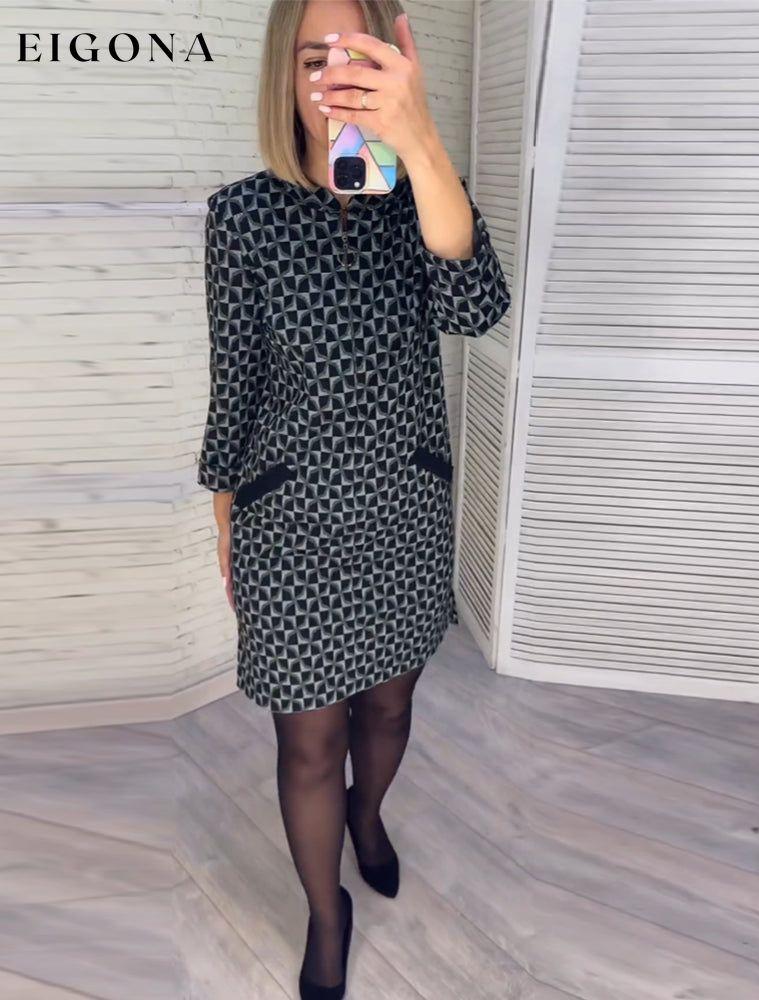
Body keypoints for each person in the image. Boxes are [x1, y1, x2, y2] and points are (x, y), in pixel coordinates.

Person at [196, 2, 511, 997]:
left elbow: (476, 308)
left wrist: (421, 142)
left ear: (395, 68)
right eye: (311, 61)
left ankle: (368, 817)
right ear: (280, 78)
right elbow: (235, 380)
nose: (333, 82)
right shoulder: (242, 215)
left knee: (387, 703)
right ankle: (325, 911)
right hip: (287, 520)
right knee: (307, 740)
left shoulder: (423, 198)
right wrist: (224, 518)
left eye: (357, 58)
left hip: (403, 508)